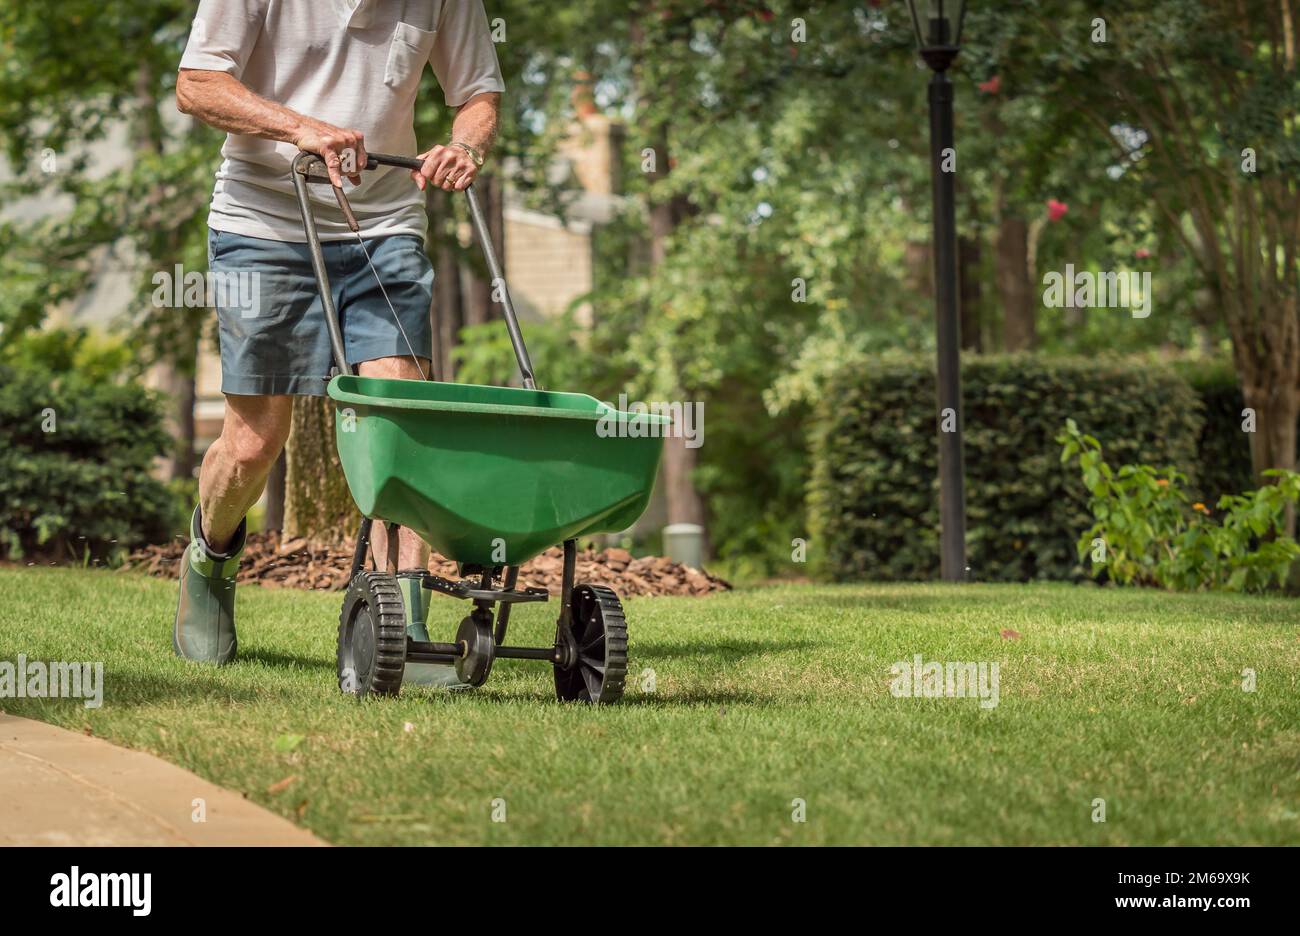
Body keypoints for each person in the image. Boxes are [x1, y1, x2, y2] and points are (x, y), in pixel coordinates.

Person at [172, 0, 503, 665]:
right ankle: (208, 565)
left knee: (398, 430)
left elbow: (478, 94)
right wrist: (299, 127)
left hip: (384, 227)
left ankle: (403, 626)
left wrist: (465, 144)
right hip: (260, 222)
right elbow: (197, 84)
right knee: (254, 443)